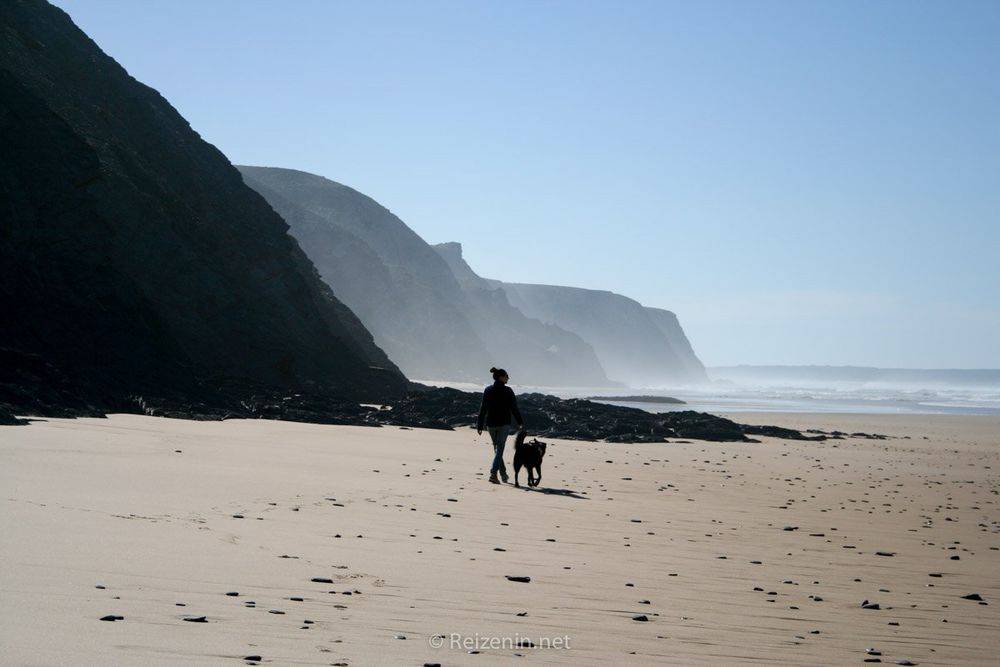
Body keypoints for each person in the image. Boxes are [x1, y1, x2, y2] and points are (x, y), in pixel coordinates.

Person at [476, 367, 524, 484]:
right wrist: (520, 422)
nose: (508, 378)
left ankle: (503, 475)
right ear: (501, 377)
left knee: (497, 449)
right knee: (500, 449)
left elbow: (483, 409)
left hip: (491, 424)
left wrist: (479, 425)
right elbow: (514, 408)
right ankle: (493, 473)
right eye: (506, 376)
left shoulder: (488, 390)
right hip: (504, 424)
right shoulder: (508, 391)